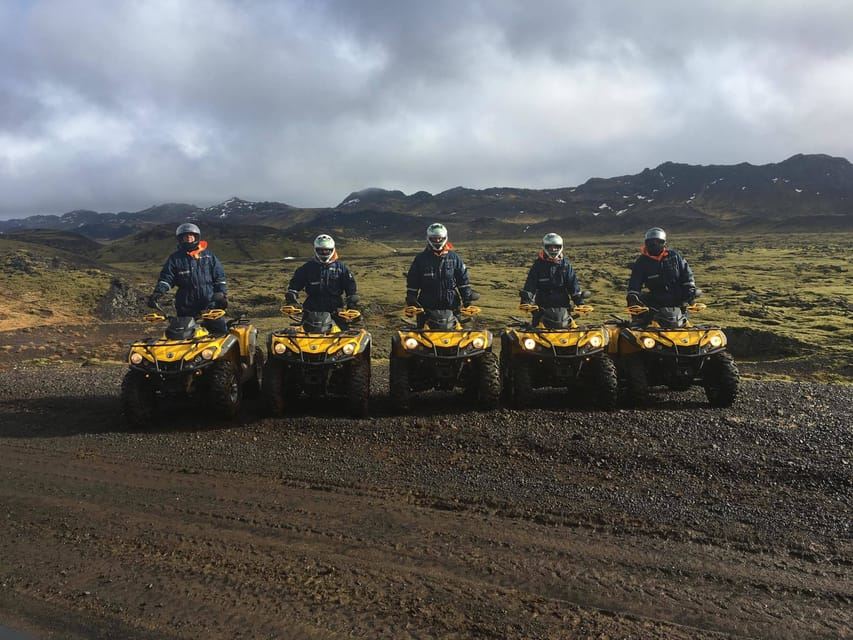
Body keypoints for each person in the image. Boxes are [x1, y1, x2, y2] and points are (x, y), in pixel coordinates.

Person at [147, 223, 228, 334]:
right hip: (186, 303)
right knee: (184, 334)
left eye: (191, 236)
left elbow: (219, 277)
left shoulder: (209, 256)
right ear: (181, 239)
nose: (189, 238)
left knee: (219, 333)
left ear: (196, 237)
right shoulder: (175, 258)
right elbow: (167, 277)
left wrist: (221, 294)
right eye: (186, 237)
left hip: (209, 301)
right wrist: (158, 292)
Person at [405, 223, 474, 327]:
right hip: (427, 306)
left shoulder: (454, 258)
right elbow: (413, 282)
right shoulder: (420, 259)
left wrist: (467, 299)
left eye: (439, 238)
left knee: (457, 333)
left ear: (445, 238)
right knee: (422, 333)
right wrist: (411, 299)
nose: (437, 241)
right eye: (434, 238)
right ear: (428, 239)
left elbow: (463, 280)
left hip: (451, 305)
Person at [286, 234, 359, 329]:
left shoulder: (341, 268)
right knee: (304, 332)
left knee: (342, 333)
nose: (324, 252)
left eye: (327, 250)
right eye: (320, 250)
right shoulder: (307, 268)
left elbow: (350, 285)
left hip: (335, 307)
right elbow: (295, 283)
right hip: (311, 306)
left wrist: (352, 299)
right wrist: (291, 295)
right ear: (315, 250)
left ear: (332, 250)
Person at [627, 227, 697, 323]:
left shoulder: (674, 256)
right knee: (635, 302)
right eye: (651, 242)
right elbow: (635, 281)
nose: (654, 245)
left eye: (657, 242)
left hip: (678, 298)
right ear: (646, 244)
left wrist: (690, 288)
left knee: (685, 319)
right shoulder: (642, 262)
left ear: (663, 243)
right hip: (655, 300)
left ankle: (683, 322)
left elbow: (686, 274)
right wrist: (633, 295)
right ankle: (638, 323)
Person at [520, 233, 585, 325]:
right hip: (542, 308)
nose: (553, 250)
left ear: (561, 247)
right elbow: (530, 285)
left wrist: (580, 302)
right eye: (550, 247)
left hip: (563, 308)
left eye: (556, 247)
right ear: (545, 247)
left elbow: (573, 285)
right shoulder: (538, 265)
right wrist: (526, 301)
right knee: (536, 330)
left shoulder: (566, 265)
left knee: (569, 330)